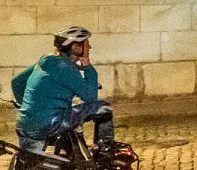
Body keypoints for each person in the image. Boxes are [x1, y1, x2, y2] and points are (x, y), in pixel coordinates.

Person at [10, 27, 118, 161]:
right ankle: (105, 151)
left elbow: (17, 83)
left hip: (25, 123)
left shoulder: (45, 60)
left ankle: (71, 154)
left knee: (30, 163)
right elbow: (91, 98)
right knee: (104, 107)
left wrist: (29, 108)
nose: (89, 47)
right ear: (75, 47)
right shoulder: (66, 69)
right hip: (48, 125)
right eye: (86, 43)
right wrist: (88, 67)